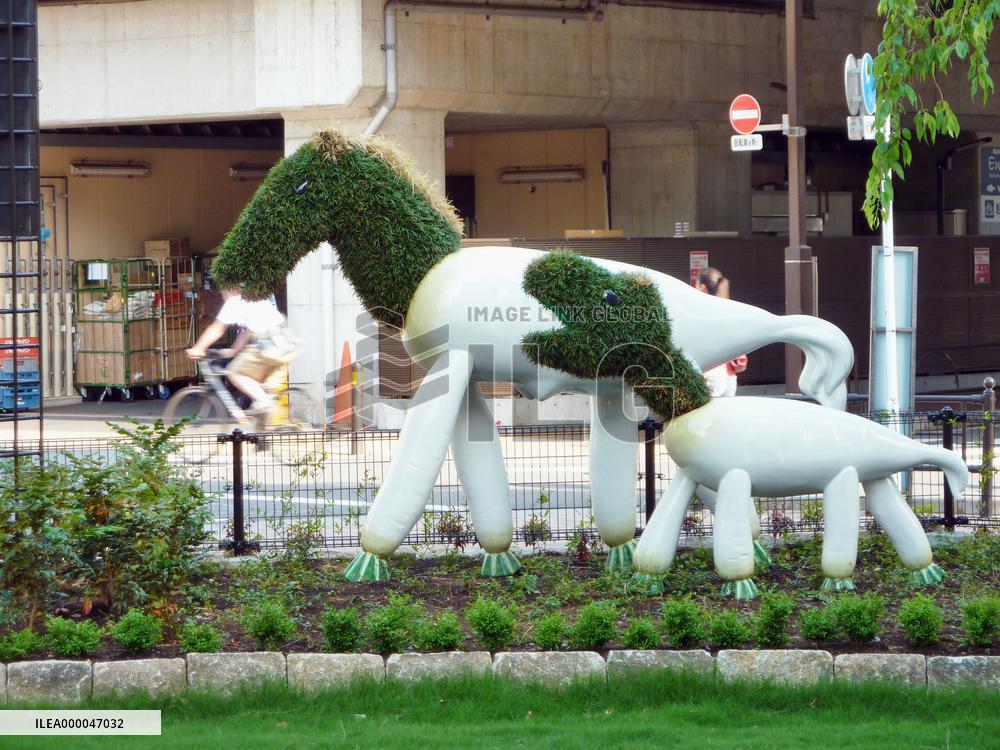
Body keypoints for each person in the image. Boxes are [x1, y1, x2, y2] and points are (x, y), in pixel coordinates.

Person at [187, 287, 299, 421]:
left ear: (231, 289)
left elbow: (217, 328)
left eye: (223, 291)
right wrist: (233, 350)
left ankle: (266, 404)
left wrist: (198, 347)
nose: (222, 295)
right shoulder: (256, 297)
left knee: (234, 372)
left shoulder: (234, 302)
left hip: (269, 344)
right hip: (286, 343)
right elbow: (247, 332)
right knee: (259, 387)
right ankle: (265, 431)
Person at [696, 267, 747, 397]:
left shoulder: (701, 312)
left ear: (702, 287)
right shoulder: (730, 309)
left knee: (705, 416)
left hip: (710, 373)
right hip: (729, 375)